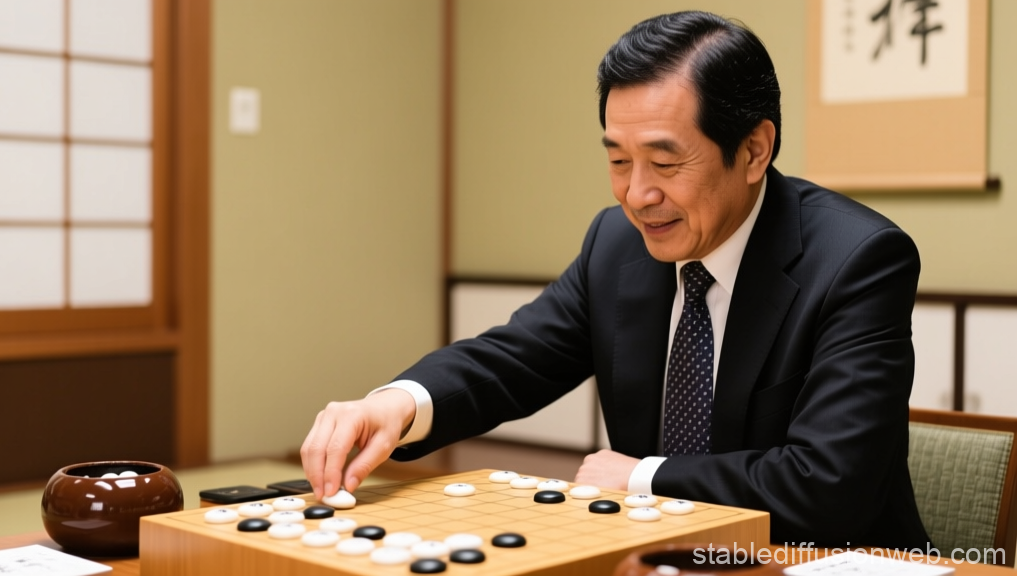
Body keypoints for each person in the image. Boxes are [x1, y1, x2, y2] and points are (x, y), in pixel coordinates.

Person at [301, 11, 930, 549]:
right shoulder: (617, 244)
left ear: (754, 151)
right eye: (618, 161)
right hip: (657, 554)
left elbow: (829, 485)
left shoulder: (857, 259)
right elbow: (515, 358)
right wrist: (399, 402)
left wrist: (641, 477)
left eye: (664, 161)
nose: (638, 194)